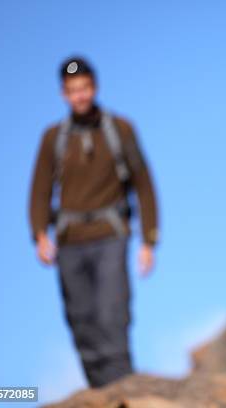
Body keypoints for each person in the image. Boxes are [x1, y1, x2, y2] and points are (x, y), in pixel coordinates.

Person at [28, 57, 159, 388]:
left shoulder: (120, 129)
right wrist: (40, 234)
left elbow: (143, 183)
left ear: (94, 88)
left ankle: (123, 386)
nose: (80, 96)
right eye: (73, 91)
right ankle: (100, 389)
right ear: (63, 94)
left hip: (110, 236)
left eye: (84, 88)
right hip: (70, 241)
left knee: (112, 314)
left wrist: (148, 240)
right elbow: (40, 188)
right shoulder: (52, 138)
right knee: (80, 319)